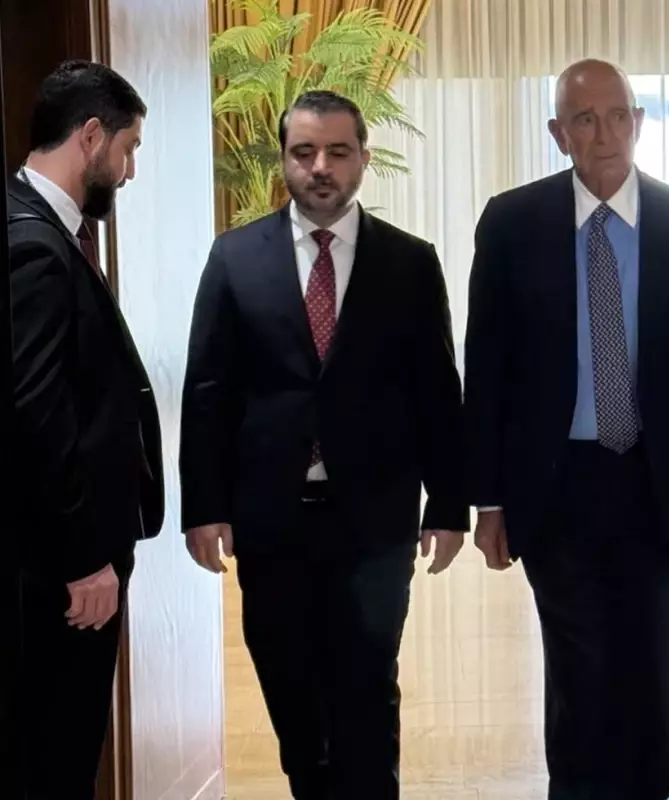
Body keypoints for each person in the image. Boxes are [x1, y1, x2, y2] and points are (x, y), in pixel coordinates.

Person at [463, 59, 669, 799]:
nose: (605, 135)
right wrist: (487, 499)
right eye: (585, 120)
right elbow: (487, 369)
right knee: (580, 674)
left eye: (619, 115)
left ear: (640, 122)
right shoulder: (512, 223)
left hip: (660, 485)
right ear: (558, 132)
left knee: (655, 669)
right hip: (554, 484)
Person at [180, 90, 468, 799]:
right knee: (291, 689)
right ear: (283, 159)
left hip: (375, 519)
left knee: (367, 688)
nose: (320, 167)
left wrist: (448, 505)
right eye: (304, 152)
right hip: (271, 519)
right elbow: (208, 391)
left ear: (363, 158)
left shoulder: (409, 262)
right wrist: (204, 507)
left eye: (338, 152)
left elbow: (438, 392)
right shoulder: (234, 258)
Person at [8, 60, 164, 799]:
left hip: (57, 564)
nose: (129, 171)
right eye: (128, 149)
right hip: (59, 574)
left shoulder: (43, 229)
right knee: (56, 757)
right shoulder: (33, 245)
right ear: (91, 136)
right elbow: (36, 414)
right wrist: (83, 560)